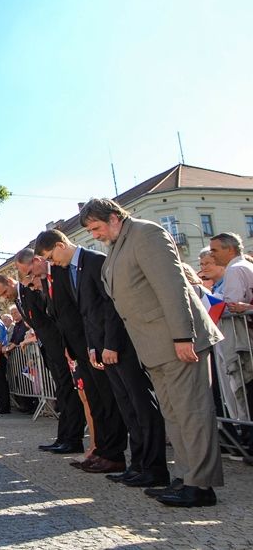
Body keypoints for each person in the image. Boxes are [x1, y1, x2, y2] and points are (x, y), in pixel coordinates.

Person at [81, 198, 224, 507]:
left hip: (178, 341)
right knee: (174, 415)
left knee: (192, 413)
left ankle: (201, 486)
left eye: (96, 227)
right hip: (154, 345)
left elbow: (172, 286)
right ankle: (185, 477)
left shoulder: (146, 234)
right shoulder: (119, 244)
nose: (94, 235)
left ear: (115, 218)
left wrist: (183, 335)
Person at [36, 229, 167, 485]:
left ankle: (154, 467)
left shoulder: (95, 261)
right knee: (127, 408)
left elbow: (110, 306)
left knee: (140, 405)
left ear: (61, 245)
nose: (51, 264)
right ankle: (138, 464)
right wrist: (93, 346)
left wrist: (109, 343)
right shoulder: (67, 270)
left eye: (51, 257)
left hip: (119, 344)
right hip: (97, 347)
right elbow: (82, 313)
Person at [0, 272, 85, 454]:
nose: (5, 296)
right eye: (1, 295)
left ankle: (73, 439)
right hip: (48, 348)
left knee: (67, 392)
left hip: (58, 347)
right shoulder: (20, 298)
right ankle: (64, 437)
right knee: (61, 392)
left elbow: (51, 319)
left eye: (4, 292)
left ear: (10, 282)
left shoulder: (30, 291)